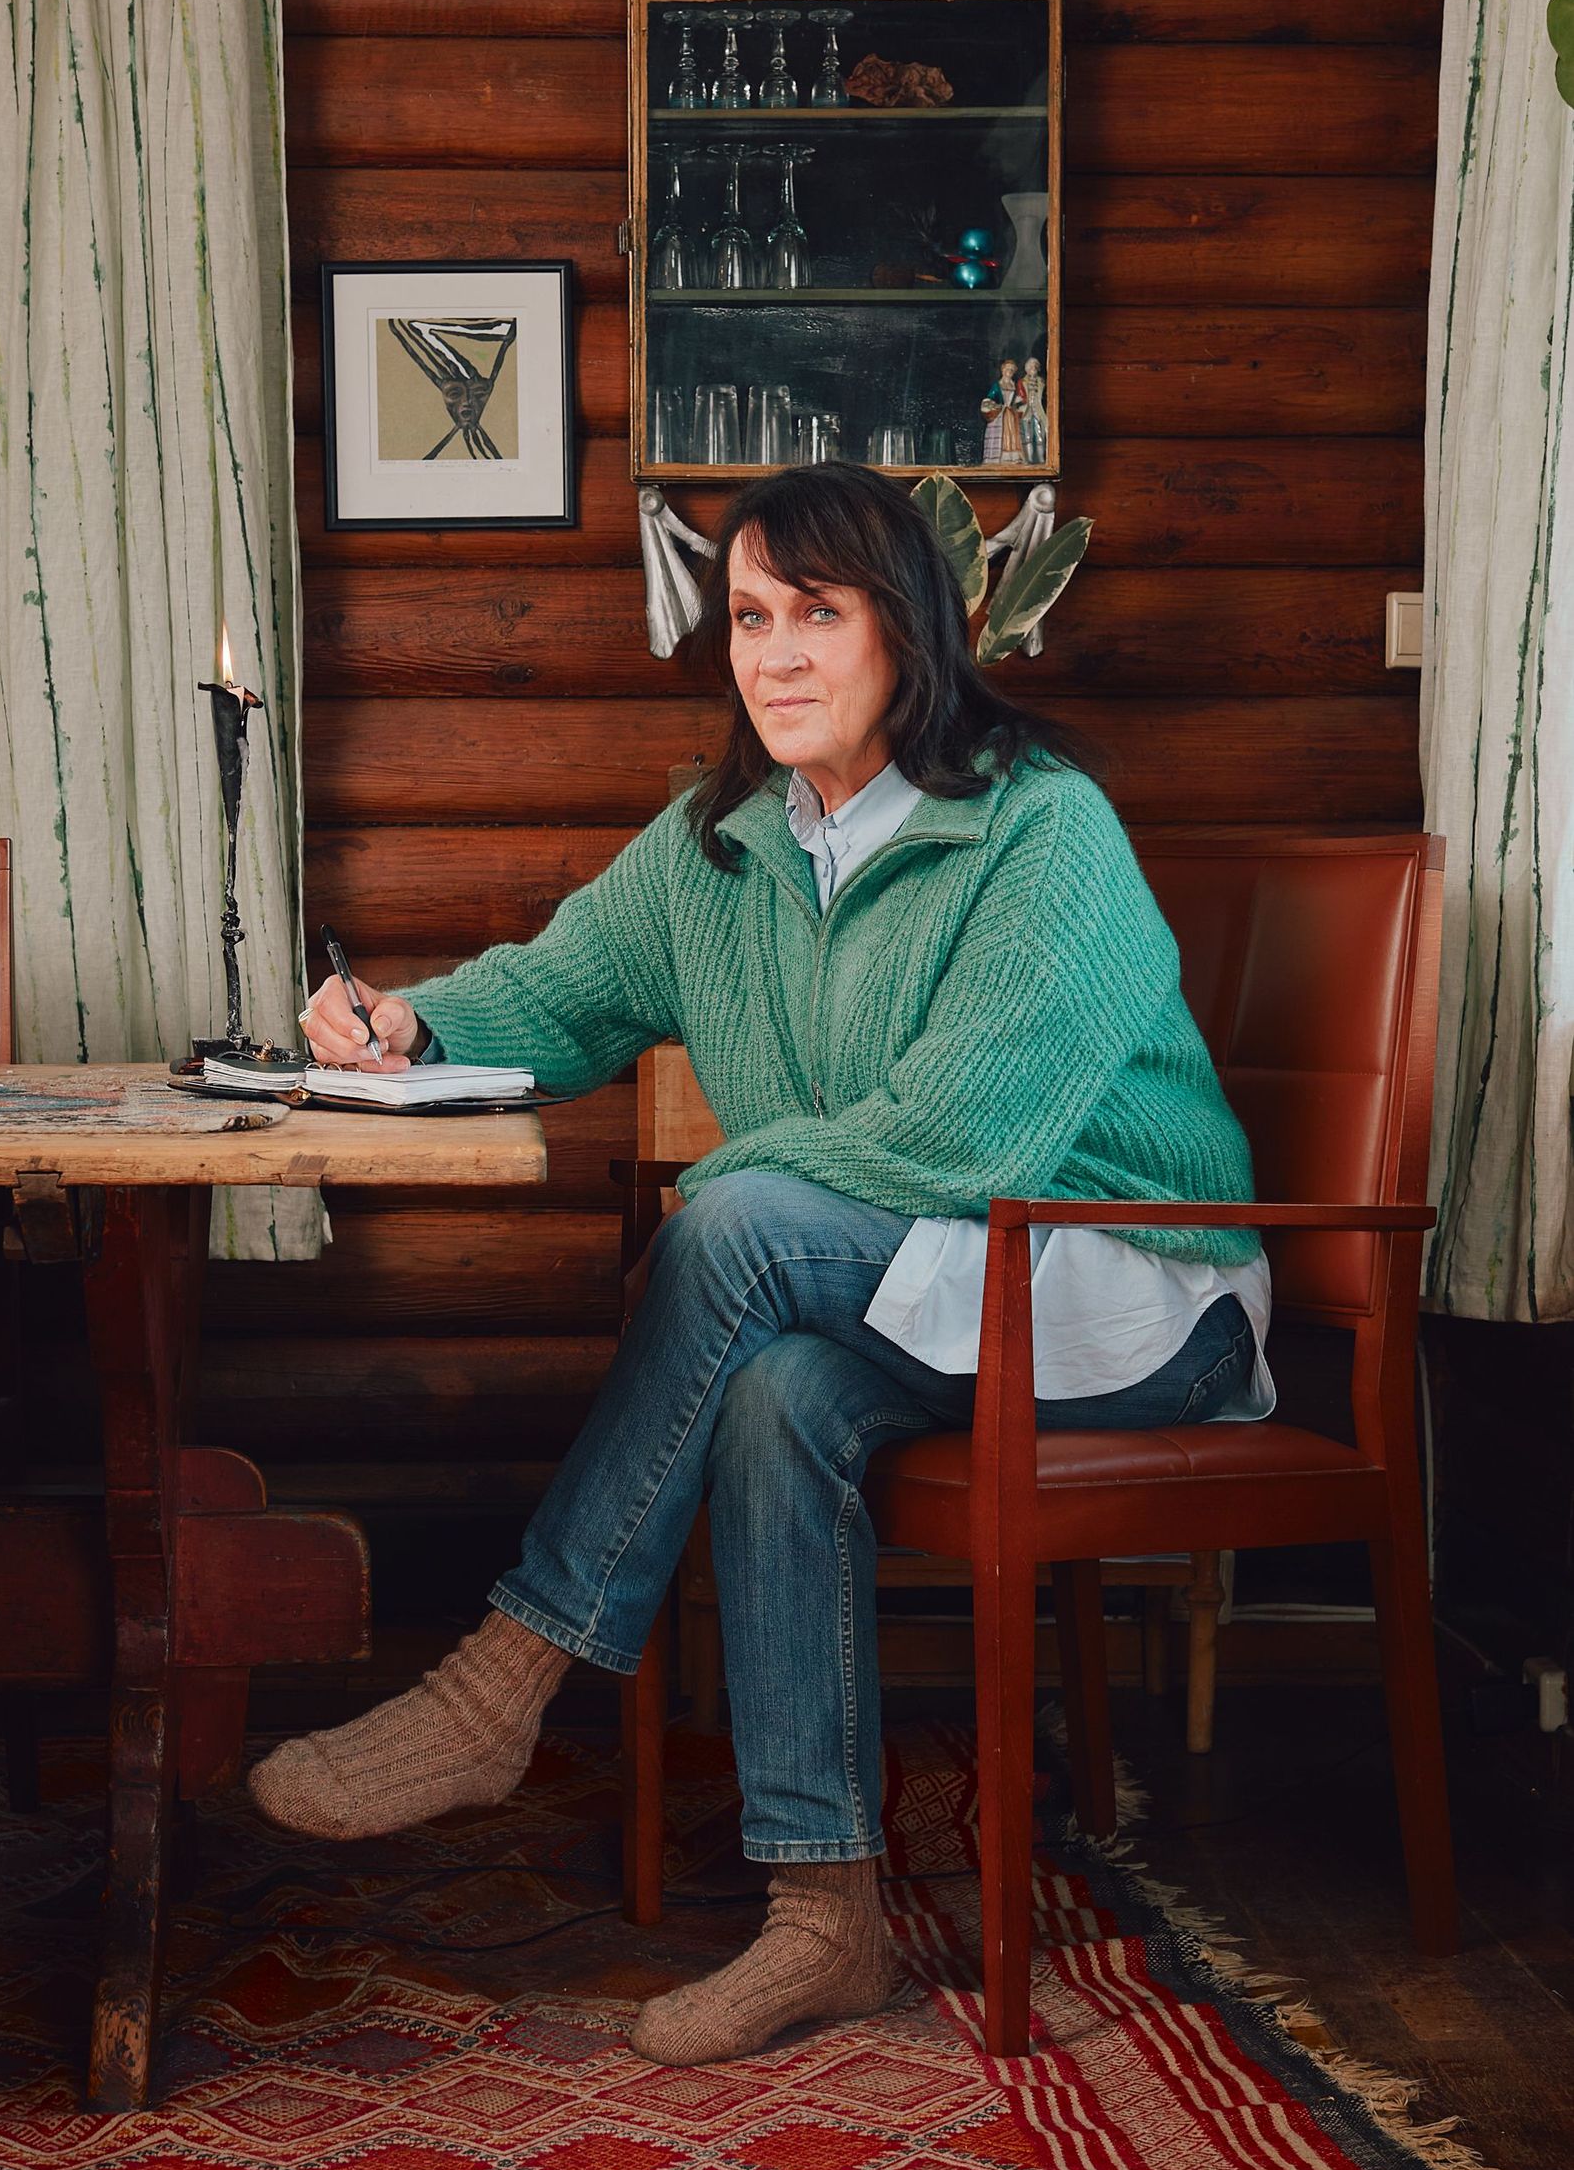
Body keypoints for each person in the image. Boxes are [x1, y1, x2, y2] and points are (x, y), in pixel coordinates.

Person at [250, 462, 1273, 2067]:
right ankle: (827, 1919)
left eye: (820, 612)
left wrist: (719, 1201)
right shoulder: (718, 845)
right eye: (748, 616)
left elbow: (961, 1136)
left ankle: (498, 1687)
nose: (776, 653)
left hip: (1131, 1284)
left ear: (909, 632)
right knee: (776, 1391)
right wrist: (410, 1024)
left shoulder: (1041, 829)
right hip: (923, 1277)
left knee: (729, 1234)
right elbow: (566, 988)